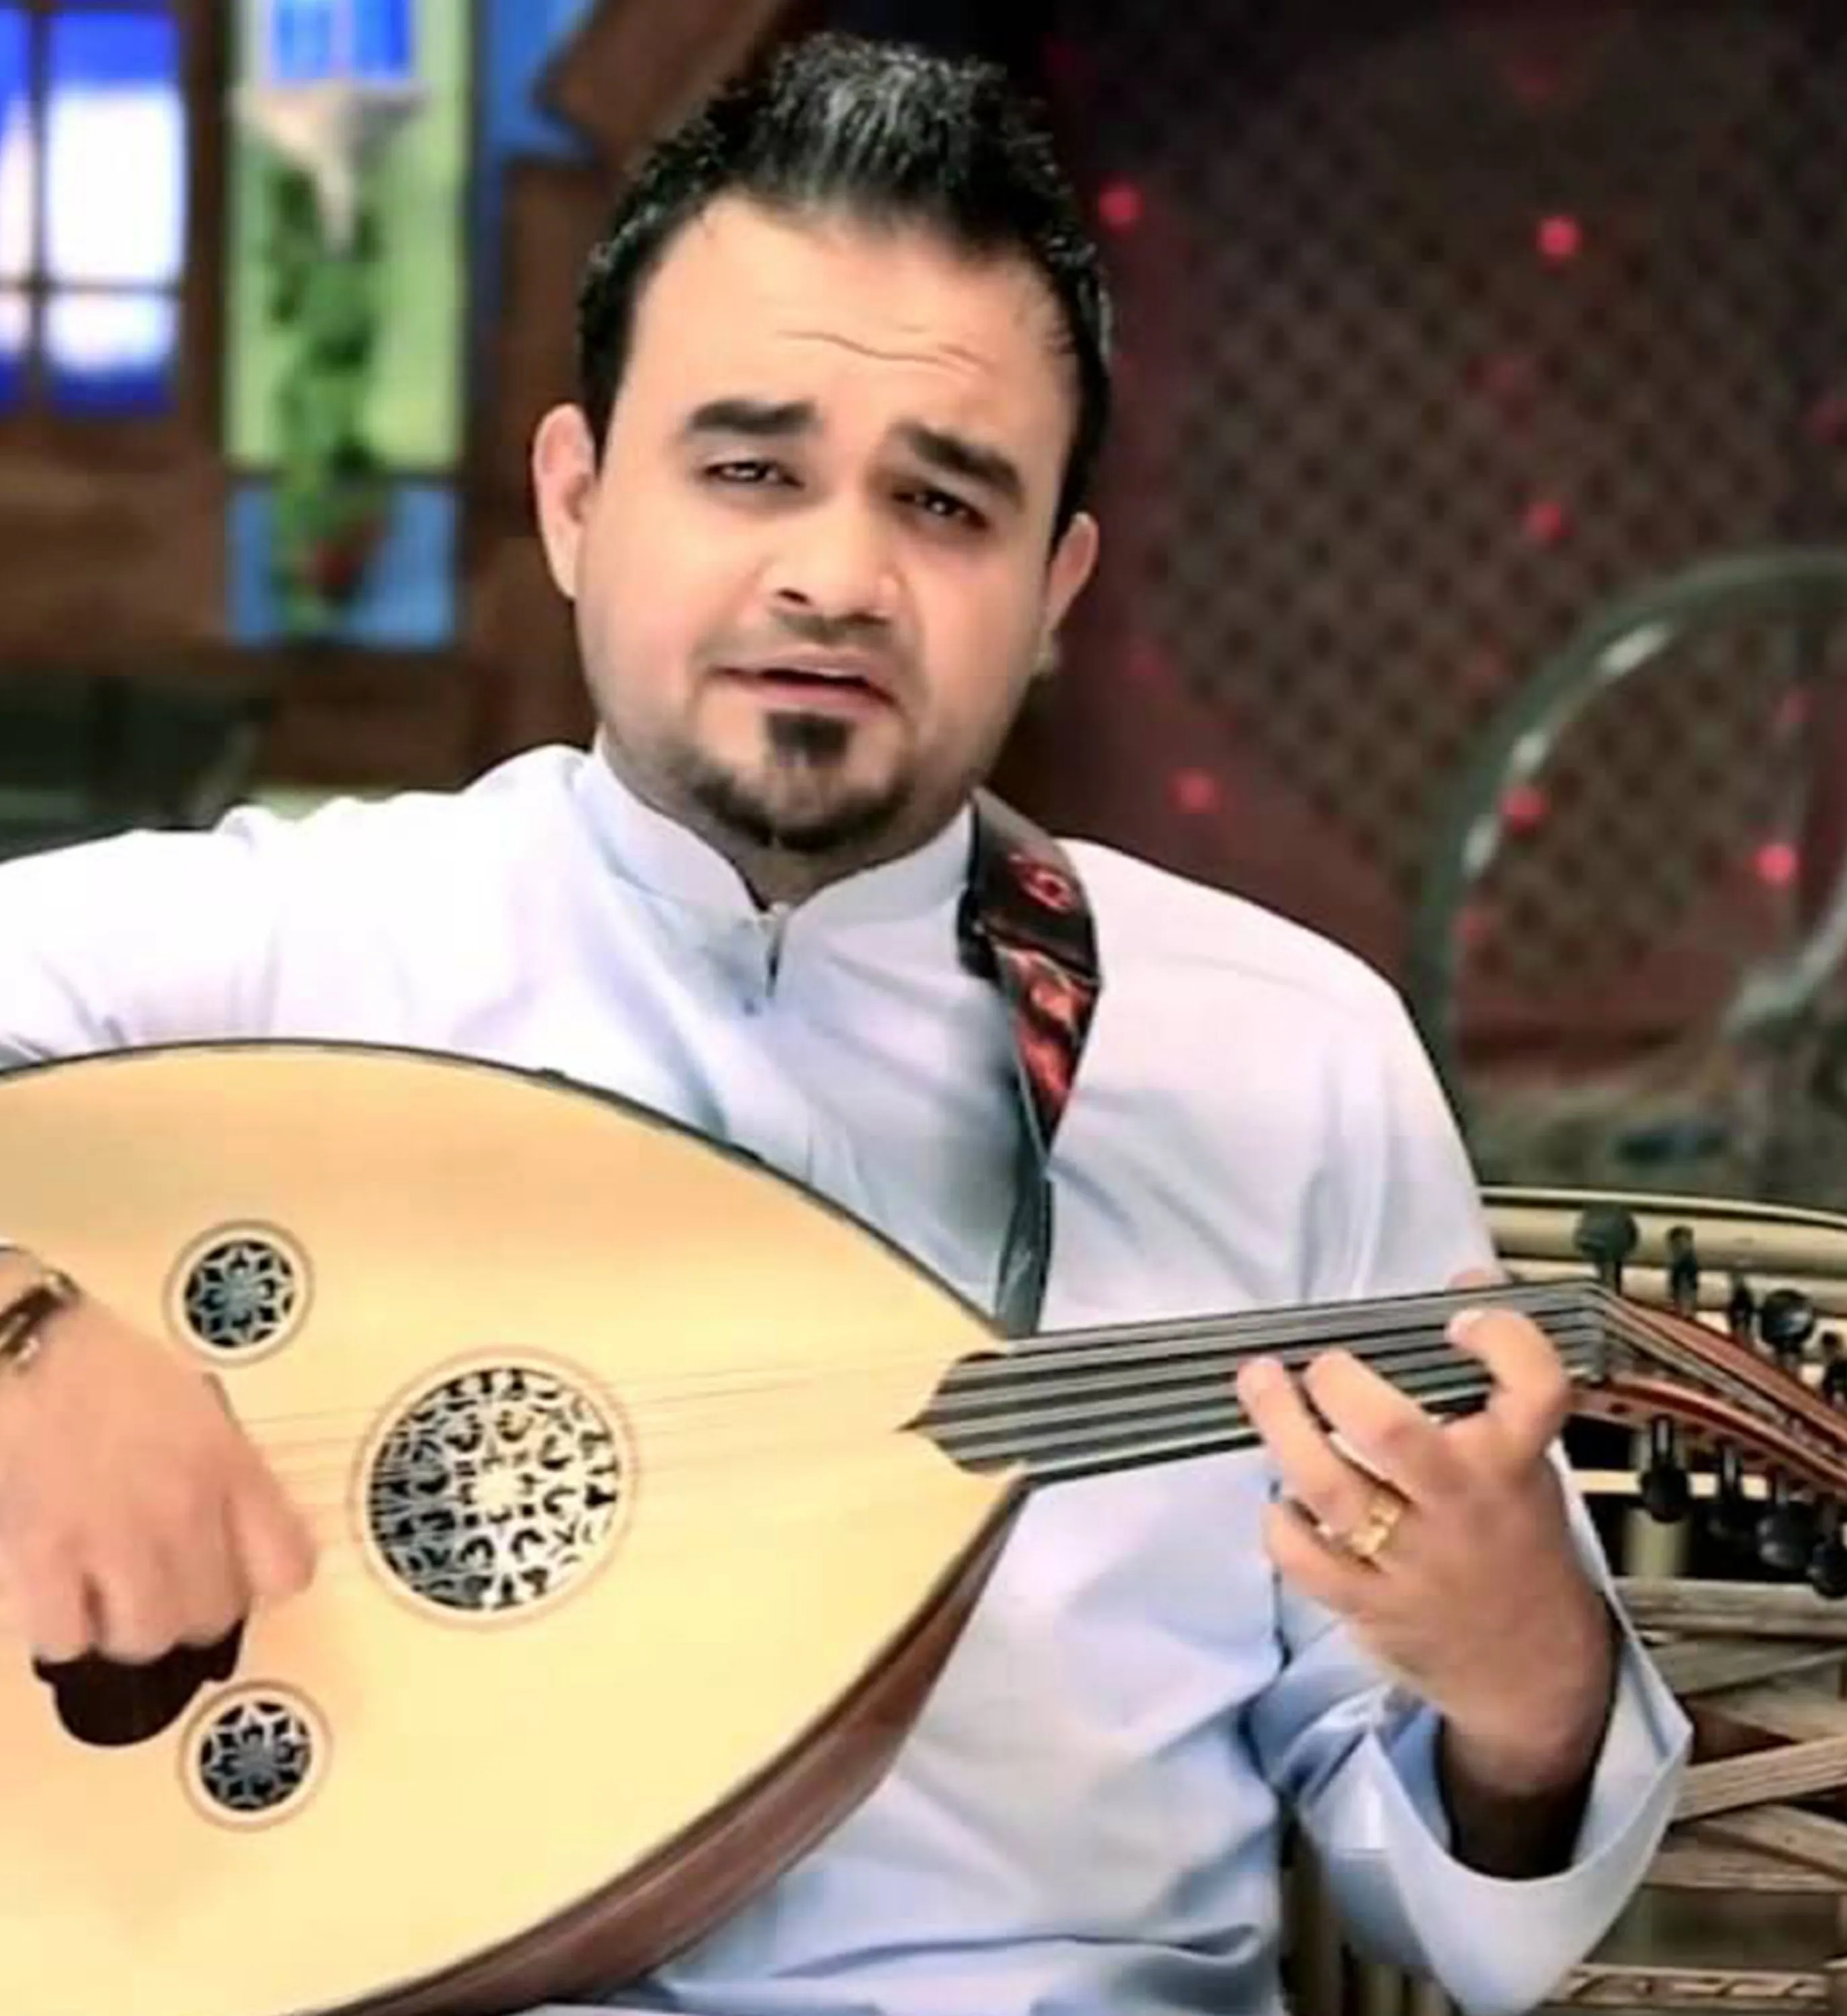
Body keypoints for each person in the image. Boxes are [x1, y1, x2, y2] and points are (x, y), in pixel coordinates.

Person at [0, 32, 1688, 2016]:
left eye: (947, 504)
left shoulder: (1284, 1057)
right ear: (575, 499)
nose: (837, 575)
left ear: (1055, 588)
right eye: (749, 471)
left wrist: (1526, 1683)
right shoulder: (292, 950)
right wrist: (27, 1337)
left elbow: (1462, 1904)